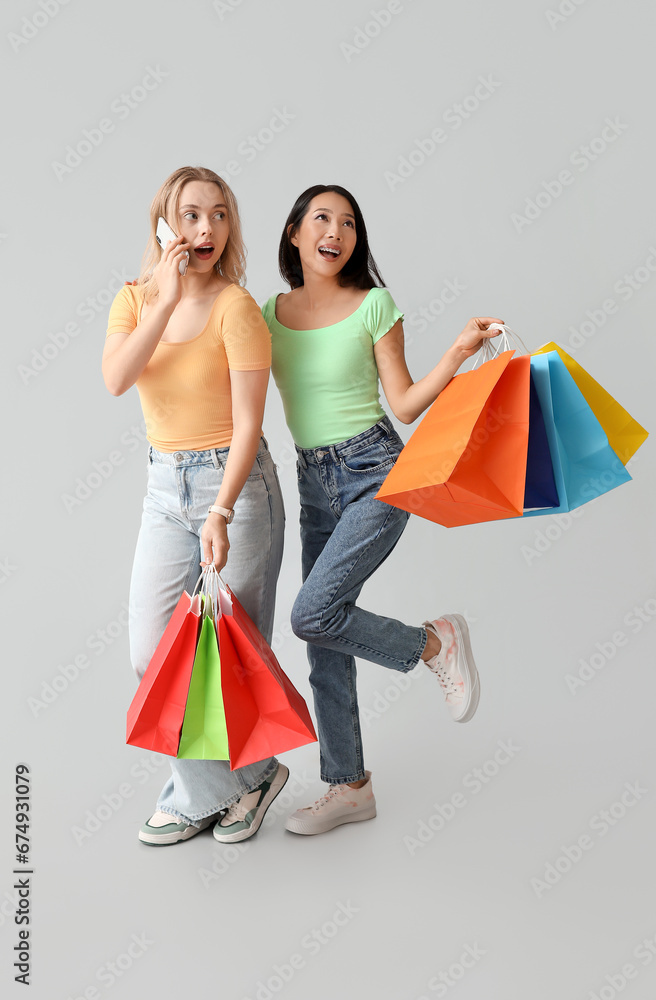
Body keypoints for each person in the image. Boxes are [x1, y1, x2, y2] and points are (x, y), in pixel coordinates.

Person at [262, 184, 503, 836]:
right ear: (293, 233)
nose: (333, 230)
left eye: (346, 222)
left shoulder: (373, 305)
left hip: (375, 472)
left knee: (311, 614)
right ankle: (350, 787)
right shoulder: (266, 314)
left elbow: (401, 403)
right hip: (313, 484)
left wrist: (455, 352)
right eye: (320, 218)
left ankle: (432, 643)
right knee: (323, 640)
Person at [103, 166, 288, 846]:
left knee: (229, 656)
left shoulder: (237, 308)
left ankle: (209, 792)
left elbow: (247, 426)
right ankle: (244, 782)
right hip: (163, 493)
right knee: (151, 653)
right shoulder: (132, 300)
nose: (205, 229)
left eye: (219, 215)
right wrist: (164, 297)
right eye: (190, 215)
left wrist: (220, 512)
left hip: (235, 491)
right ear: (165, 223)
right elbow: (118, 379)